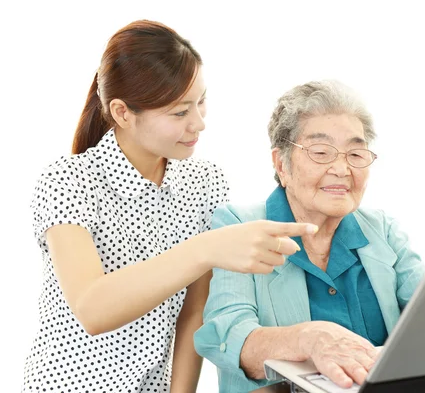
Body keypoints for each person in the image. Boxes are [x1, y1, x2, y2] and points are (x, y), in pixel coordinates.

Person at [21, 20, 316, 393]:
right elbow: (92, 309)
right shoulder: (68, 179)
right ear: (123, 112)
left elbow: (195, 309)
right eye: (179, 113)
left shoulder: (205, 181)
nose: (199, 123)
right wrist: (207, 249)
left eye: (201, 102)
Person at [194, 80, 425, 392]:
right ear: (281, 164)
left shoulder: (383, 230)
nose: (342, 169)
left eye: (356, 154)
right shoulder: (238, 224)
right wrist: (307, 338)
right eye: (321, 152)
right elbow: (226, 334)